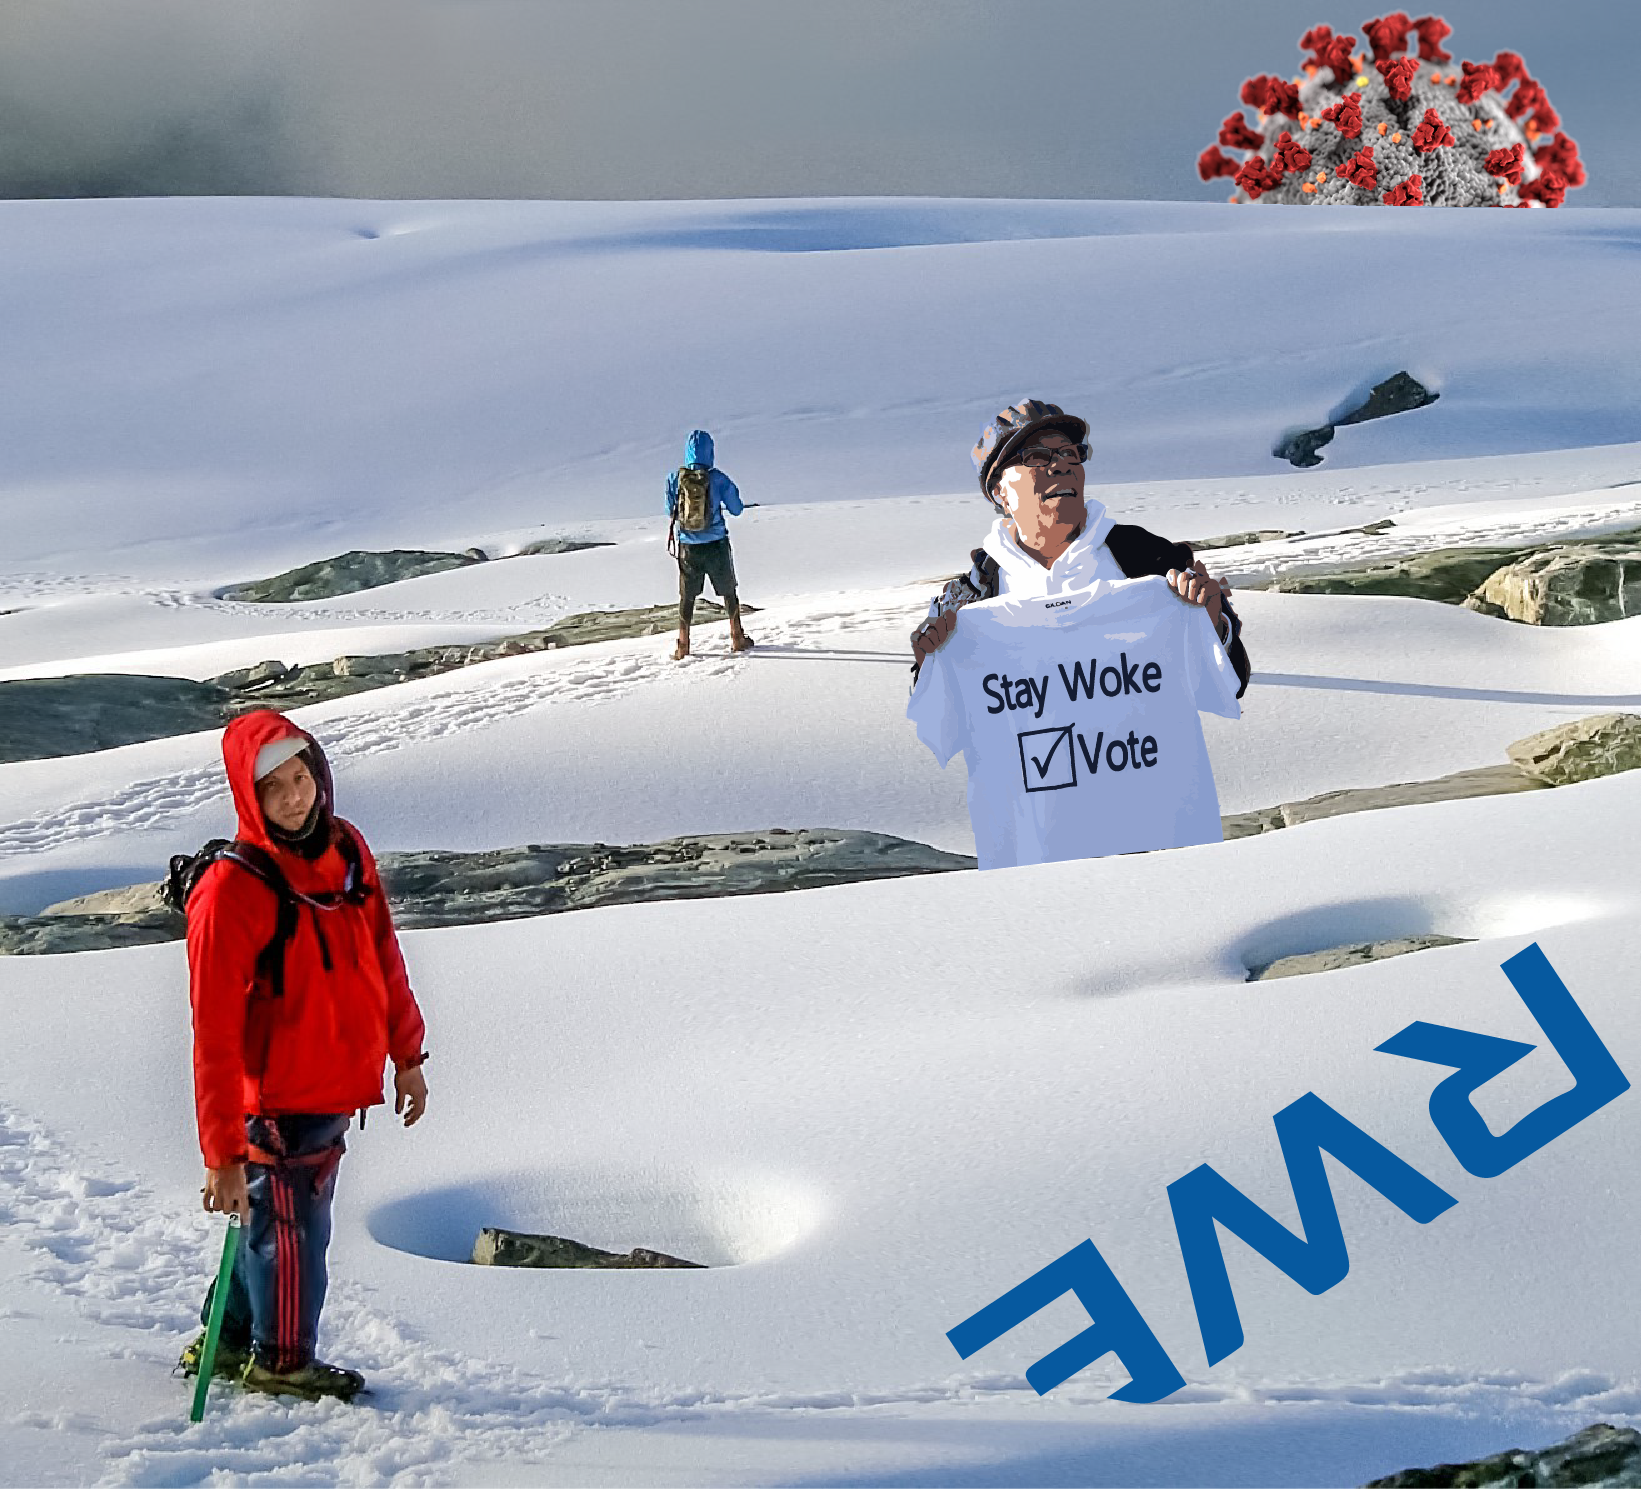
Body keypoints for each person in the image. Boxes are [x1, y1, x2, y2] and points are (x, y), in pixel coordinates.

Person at [178, 708, 429, 1402]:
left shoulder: (345, 849)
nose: (295, 797)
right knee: (291, 1234)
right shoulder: (232, 889)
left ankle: (228, 1340)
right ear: (247, 795)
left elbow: (382, 951)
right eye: (273, 787)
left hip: (335, 1083)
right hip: (277, 1101)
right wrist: (223, 1154)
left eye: (301, 776)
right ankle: (282, 1362)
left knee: (270, 1221)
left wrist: (407, 1052)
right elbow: (214, 1033)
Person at [910, 400, 1250, 693]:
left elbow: (1230, 684)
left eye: (1070, 454)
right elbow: (943, 710)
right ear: (1000, 492)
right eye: (1037, 457)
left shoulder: (1146, 558)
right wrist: (930, 666)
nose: (1061, 465)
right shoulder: (974, 594)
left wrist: (1213, 627)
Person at [666, 428, 754, 660]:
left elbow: (669, 511)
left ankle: (683, 644)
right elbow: (737, 509)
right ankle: (737, 637)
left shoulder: (675, 478)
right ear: (710, 451)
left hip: (688, 546)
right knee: (728, 592)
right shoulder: (718, 478)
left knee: (687, 596)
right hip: (716, 544)